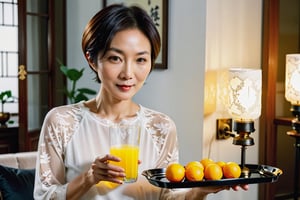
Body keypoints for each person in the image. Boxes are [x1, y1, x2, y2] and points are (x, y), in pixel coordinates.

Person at [34, 4, 248, 200]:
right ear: (92, 59)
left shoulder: (162, 127)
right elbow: (43, 197)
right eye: (115, 58)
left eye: (141, 60)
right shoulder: (61, 122)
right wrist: (89, 177)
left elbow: (167, 197)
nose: (128, 73)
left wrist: (199, 191)